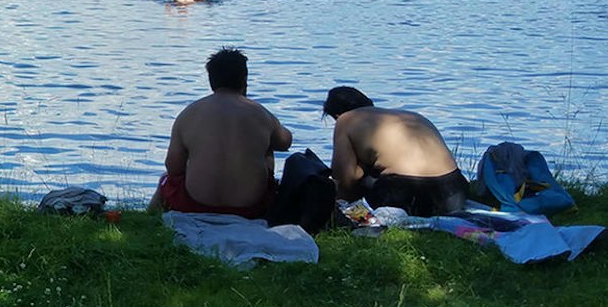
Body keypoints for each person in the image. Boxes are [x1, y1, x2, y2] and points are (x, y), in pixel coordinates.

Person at [150, 48, 292, 218]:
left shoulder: (189, 114)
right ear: (244, 80)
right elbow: (285, 142)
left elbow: (173, 168)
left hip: (195, 205)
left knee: (166, 179)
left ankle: (148, 219)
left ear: (211, 81)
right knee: (268, 148)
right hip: (251, 208)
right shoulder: (260, 113)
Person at [322, 86, 469, 216]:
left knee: (360, 176)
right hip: (454, 191)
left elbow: (345, 181)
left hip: (408, 193)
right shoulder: (408, 115)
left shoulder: (345, 120)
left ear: (336, 115)